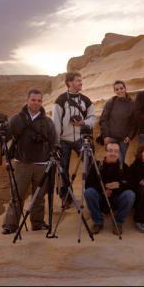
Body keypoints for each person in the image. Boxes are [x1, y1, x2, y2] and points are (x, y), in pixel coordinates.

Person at [0, 89, 57, 235]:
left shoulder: (47, 121)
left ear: (42, 102)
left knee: (39, 196)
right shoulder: (17, 119)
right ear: (28, 100)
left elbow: (54, 141)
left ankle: (37, 223)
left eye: (39, 101)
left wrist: (53, 157)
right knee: (17, 195)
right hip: (22, 163)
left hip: (42, 164)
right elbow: (5, 137)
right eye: (33, 100)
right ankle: (10, 225)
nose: (36, 103)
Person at [52, 72, 95, 201]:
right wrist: (56, 142)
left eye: (81, 80)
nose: (81, 82)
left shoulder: (86, 100)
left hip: (81, 138)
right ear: (69, 83)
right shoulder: (60, 100)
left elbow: (93, 119)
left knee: (90, 165)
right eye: (78, 80)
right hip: (64, 140)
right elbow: (56, 122)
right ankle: (66, 196)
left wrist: (83, 122)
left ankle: (91, 192)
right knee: (63, 169)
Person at [83, 142, 135, 235]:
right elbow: (88, 184)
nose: (113, 153)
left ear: (119, 153)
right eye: (110, 150)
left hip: (116, 199)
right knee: (89, 192)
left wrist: (119, 186)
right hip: (100, 198)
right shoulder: (97, 165)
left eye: (116, 151)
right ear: (105, 152)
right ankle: (98, 222)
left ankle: (118, 223)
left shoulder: (124, 167)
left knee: (130, 195)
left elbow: (131, 184)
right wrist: (103, 189)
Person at [99, 80, 137, 164]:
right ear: (114, 91)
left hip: (123, 140)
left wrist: (130, 137)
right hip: (111, 138)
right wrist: (106, 136)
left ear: (125, 88)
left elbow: (134, 123)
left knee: (120, 161)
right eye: (117, 89)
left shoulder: (132, 104)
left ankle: (119, 177)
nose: (119, 91)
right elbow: (103, 120)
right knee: (110, 161)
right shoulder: (110, 102)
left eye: (121, 88)